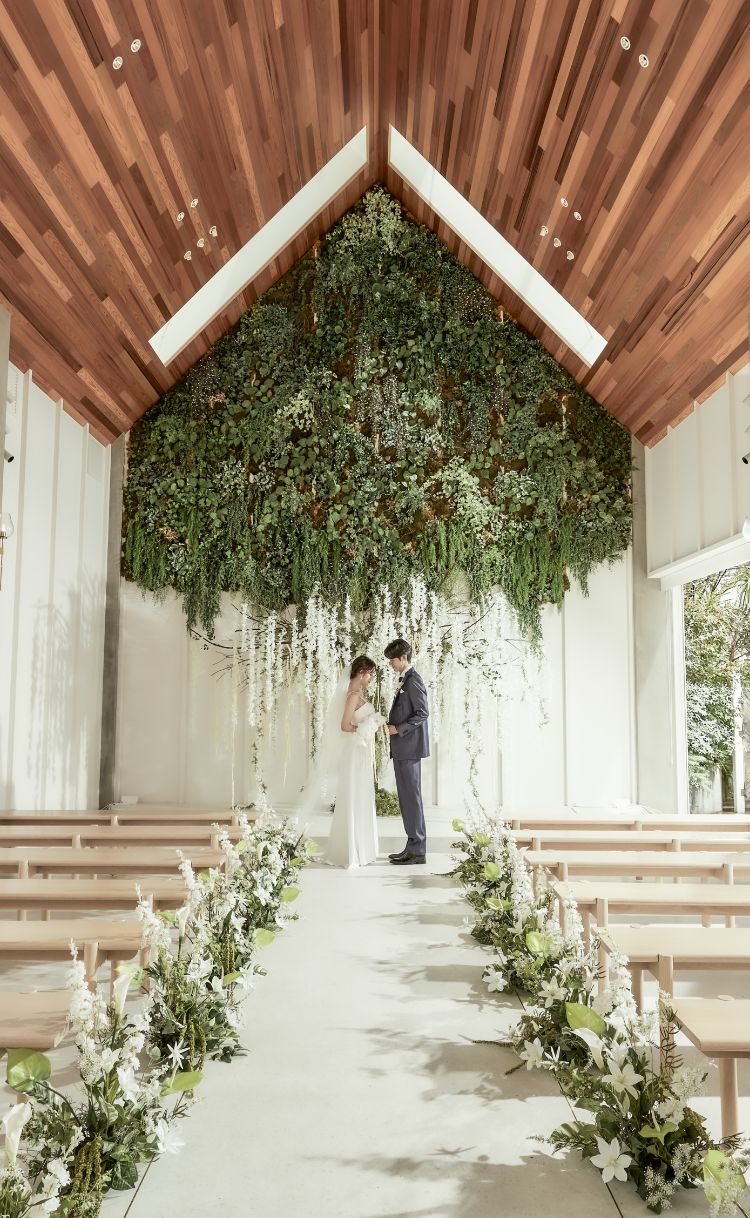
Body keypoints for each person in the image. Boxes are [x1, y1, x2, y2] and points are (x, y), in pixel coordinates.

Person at [324, 656, 383, 868]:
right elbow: (345, 725)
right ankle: (352, 851)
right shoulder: (353, 695)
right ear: (362, 672)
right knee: (354, 795)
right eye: (370, 674)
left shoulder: (356, 694)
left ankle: (361, 848)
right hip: (355, 749)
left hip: (359, 749)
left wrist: (369, 727)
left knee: (360, 795)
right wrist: (367, 728)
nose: (371, 678)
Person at [384, 638, 429, 865]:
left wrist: (398, 729)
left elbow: (422, 713)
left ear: (403, 658)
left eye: (392, 660)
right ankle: (412, 846)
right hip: (403, 749)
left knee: (412, 798)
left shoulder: (413, 680)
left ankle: (417, 849)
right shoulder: (406, 679)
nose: (390, 664)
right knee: (407, 799)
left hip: (409, 749)